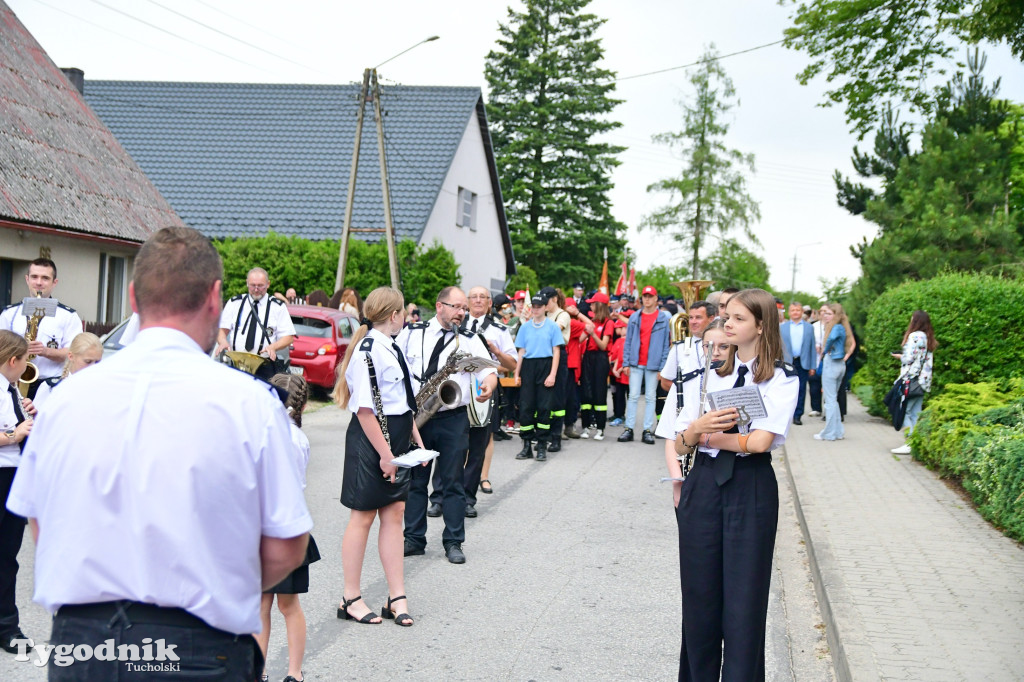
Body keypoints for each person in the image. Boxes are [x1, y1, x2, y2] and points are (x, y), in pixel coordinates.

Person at [6, 227, 311, 679]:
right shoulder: (253, 404)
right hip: (201, 639)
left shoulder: (65, 400)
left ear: (132, 297)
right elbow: (287, 547)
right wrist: (213, 582)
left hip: (86, 642)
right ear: (214, 298)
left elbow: (40, 522)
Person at [673, 288, 798, 681]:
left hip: (751, 487)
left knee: (744, 606)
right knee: (699, 601)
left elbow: (760, 442)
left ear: (761, 327)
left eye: (738, 318)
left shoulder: (781, 377)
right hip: (704, 485)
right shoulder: (707, 373)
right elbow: (680, 442)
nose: (727, 323)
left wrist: (708, 437)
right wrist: (695, 430)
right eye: (727, 316)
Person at [332, 287, 422, 624]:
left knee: (395, 513)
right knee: (363, 516)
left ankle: (396, 596)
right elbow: (366, 412)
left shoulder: (391, 346)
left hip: (396, 437)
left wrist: (416, 441)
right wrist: (386, 456)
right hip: (371, 441)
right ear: (395, 315)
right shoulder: (368, 351)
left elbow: (402, 402)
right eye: (404, 313)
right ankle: (350, 598)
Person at [396, 287, 497, 565]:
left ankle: (454, 541)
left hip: (453, 417)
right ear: (440, 306)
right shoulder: (412, 333)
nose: (462, 313)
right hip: (418, 416)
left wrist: (488, 385)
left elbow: (489, 371)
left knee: (454, 482)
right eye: (457, 307)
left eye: (464, 309)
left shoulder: (470, 339)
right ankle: (414, 539)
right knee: (416, 481)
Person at [429, 287, 516, 519]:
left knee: (477, 446)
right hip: (452, 393)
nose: (477, 301)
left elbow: (512, 365)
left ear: (489, 303)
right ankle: (438, 497)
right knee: (445, 445)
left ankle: (467, 498)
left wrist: (493, 355)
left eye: (483, 297)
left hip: (482, 388)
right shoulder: (454, 323)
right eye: (473, 297)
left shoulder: (499, 329)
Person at [258, 373, 318, 682]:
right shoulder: (297, 438)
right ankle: (293, 673)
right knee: (288, 605)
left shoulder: (271, 435)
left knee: (263, 607)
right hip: (291, 527)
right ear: (303, 405)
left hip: (267, 529)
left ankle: (262, 670)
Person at [0, 259, 84, 400]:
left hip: (50, 387)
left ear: (54, 282)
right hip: (13, 385)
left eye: (45, 278)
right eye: (34, 277)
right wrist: (19, 349)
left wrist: (46, 351)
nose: (39, 283)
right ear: (27, 279)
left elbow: (74, 353)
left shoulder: (68, 316)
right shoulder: (9, 313)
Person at [0, 331, 35, 653]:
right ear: (13, 360)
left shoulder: (9, 387)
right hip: (2, 472)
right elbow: (7, 433)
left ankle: (6, 624)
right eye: (25, 362)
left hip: (12, 472)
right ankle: (7, 627)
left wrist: (27, 414)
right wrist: (13, 433)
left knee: (7, 556)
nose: (26, 368)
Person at [655, 302, 715, 462]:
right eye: (691, 317)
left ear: (711, 318)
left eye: (698, 317)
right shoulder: (680, 348)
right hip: (685, 415)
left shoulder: (721, 348)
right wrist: (685, 398)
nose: (693, 321)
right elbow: (665, 381)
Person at [216, 267, 296, 378]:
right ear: (247, 283)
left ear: (268, 284)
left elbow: (288, 337)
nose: (256, 289)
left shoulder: (277, 306)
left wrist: (273, 347)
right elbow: (221, 329)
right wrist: (223, 341)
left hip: (264, 366)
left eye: (260, 286)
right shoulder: (235, 303)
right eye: (253, 285)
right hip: (236, 364)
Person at [618, 285, 671, 444]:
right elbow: (628, 341)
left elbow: (665, 345)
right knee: (633, 396)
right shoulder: (635, 317)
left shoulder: (663, 318)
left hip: (653, 364)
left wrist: (662, 367)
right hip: (636, 362)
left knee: (650, 397)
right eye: (645, 296)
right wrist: (626, 362)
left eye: (650, 296)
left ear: (656, 299)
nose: (647, 299)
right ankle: (629, 428)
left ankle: (647, 430)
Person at [513, 295, 563, 461]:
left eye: (539, 306)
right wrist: (516, 373)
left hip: (545, 366)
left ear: (545, 307)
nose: (536, 309)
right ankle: (526, 445)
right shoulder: (525, 327)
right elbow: (521, 352)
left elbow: (556, 351)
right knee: (526, 406)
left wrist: (553, 374)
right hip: (528, 366)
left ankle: (541, 445)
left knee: (544, 407)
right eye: (533, 306)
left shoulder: (552, 327)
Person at [890, 311, 937, 455]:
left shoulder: (915, 336)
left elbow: (909, 358)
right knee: (916, 412)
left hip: (910, 379)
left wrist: (900, 356)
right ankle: (917, 443)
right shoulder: (928, 337)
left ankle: (910, 442)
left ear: (915, 321)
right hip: (922, 381)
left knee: (904, 410)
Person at [31, 332, 103, 410]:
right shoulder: (50, 387)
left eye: (97, 362)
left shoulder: (102, 389)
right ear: (71, 356)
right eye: (88, 361)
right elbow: (38, 419)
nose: (93, 367)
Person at [540, 287, 572, 452]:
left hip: (558, 354)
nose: (543, 305)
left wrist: (536, 321)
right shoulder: (543, 315)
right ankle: (543, 436)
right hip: (543, 355)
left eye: (545, 301)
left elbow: (552, 331)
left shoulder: (563, 315)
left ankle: (556, 437)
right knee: (543, 398)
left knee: (557, 398)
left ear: (554, 299)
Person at [815, 302, 852, 442]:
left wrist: (825, 350)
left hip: (832, 364)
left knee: (830, 401)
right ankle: (837, 431)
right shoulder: (843, 327)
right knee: (833, 400)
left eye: (829, 314)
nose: (825, 316)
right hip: (840, 364)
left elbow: (830, 339)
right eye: (825, 313)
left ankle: (829, 433)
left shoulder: (835, 327)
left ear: (836, 315)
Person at [578, 294, 613, 440]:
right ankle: (585, 426)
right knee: (586, 392)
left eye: (593, 304)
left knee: (599, 393)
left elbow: (604, 345)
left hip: (600, 358)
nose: (590, 307)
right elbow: (580, 339)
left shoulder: (608, 323)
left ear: (599, 305)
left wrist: (592, 333)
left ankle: (600, 428)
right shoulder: (592, 321)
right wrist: (586, 331)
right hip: (588, 358)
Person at [780, 301, 817, 426]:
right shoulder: (782, 327)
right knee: (786, 389)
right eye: (793, 310)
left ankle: (798, 415)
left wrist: (813, 366)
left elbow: (812, 347)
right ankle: (786, 415)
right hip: (787, 361)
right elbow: (779, 347)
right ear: (789, 312)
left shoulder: (809, 327)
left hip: (803, 361)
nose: (795, 312)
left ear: (802, 312)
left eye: (798, 310)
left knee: (801, 389)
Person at [607, 320, 629, 426]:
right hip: (616, 374)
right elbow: (614, 356)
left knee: (627, 396)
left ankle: (624, 416)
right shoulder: (618, 341)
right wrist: (614, 369)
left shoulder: (628, 341)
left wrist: (619, 370)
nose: (617, 330)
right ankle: (617, 414)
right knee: (616, 394)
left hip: (625, 373)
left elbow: (625, 358)